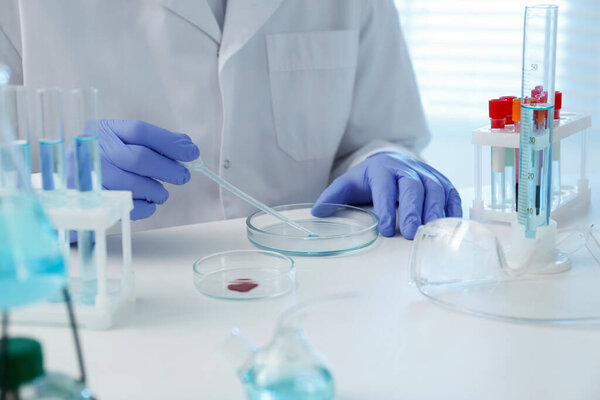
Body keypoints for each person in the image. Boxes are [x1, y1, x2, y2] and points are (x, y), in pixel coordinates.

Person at [0, 0, 461, 240]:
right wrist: (48, 187)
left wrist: (387, 162)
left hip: (309, 303)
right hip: (114, 314)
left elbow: (383, 136)